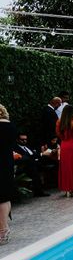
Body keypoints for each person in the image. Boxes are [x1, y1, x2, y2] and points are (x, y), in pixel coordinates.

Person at [56, 105, 73, 197]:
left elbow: (59, 134)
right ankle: (72, 189)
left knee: (66, 167)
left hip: (64, 145)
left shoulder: (59, 122)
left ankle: (67, 189)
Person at [0, 104, 17, 245]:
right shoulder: (11, 127)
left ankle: (3, 229)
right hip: (6, 162)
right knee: (4, 196)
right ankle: (4, 228)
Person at [13, 132, 49, 197]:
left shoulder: (27, 146)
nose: (24, 141)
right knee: (34, 168)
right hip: (24, 166)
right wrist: (36, 156)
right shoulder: (15, 148)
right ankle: (38, 191)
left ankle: (46, 185)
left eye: (26, 139)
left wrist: (41, 154)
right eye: (22, 139)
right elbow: (25, 157)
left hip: (34, 163)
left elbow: (34, 154)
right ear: (17, 140)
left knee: (45, 161)